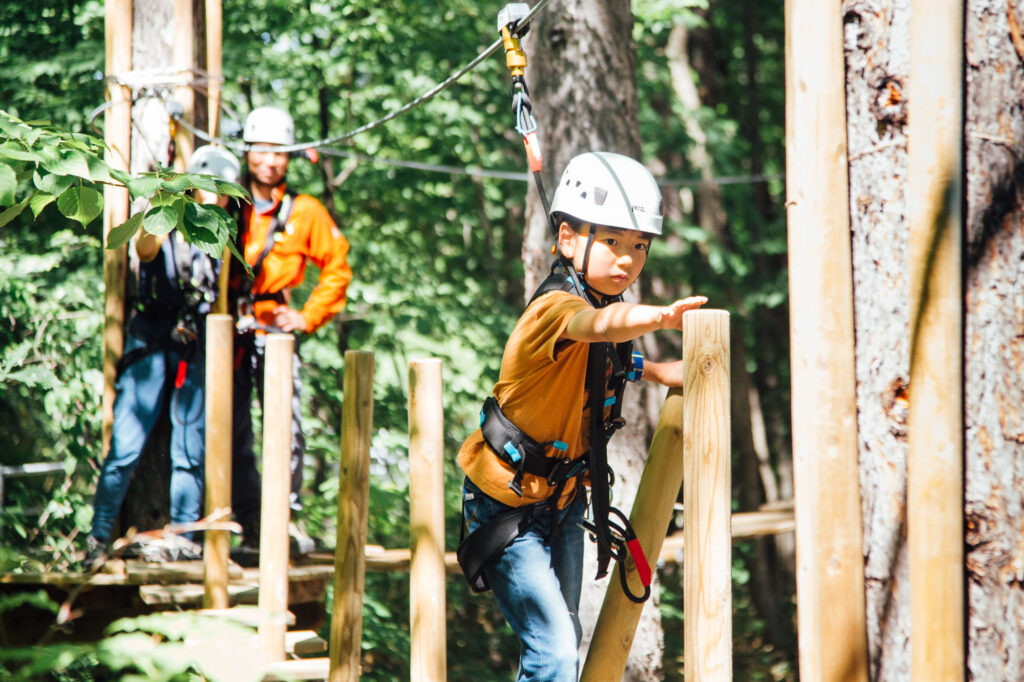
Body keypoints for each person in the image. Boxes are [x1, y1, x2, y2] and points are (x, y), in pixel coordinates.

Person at [456, 151, 707, 680]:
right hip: (507, 507)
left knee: (560, 644)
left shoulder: (592, 308)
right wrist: (660, 316)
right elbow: (600, 329)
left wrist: (660, 372)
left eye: (639, 245)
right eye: (612, 241)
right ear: (567, 240)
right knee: (555, 654)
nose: (628, 259)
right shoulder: (557, 311)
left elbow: (612, 361)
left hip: (562, 502)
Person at [85, 145, 241, 567]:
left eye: (225, 194)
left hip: (192, 342)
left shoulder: (222, 229)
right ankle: (98, 538)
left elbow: (218, 292)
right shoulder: (166, 215)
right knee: (126, 446)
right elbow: (145, 250)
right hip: (152, 337)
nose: (219, 200)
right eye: (212, 190)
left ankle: (185, 535)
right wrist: (166, 201)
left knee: (189, 448)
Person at [229, 106, 352, 552]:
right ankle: (244, 519)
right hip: (229, 331)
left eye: (280, 152)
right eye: (262, 150)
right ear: (247, 153)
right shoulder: (227, 202)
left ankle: (284, 515)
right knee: (231, 426)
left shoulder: (305, 212)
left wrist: (305, 317)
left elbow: (337, 267)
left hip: (275, 332)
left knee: (287, 427)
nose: (271, 160)